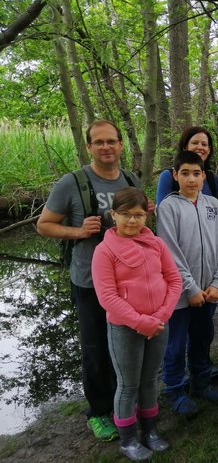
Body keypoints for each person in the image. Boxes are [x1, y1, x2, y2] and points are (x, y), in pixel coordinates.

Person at [36, 120, 142, 442]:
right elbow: (44, 225)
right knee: (96, 348)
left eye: (112, 141)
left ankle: (123, 403)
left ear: (121, 145)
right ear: (89, 147)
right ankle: (98, 412)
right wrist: (79, 231)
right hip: (89, 281)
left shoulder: (130, 179)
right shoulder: (73, 183)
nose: (106, 147)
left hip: (129, 281)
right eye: (99, 142)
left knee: (125, 345)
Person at [92, 188, 181, 460]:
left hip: (158, 325)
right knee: (128, 384)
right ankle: (128, 439)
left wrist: (162, 315)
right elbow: (108, 297)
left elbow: (174, 280)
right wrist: (141, 322)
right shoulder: (104, 251)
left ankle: (151, 431)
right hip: (125, 329)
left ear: (147, 215)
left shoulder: (156, 243)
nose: (132, 221)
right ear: (113, 215)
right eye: (126, 215)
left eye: (139, 215)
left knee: (149, 381)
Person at [156, 151, 218, 416]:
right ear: (175, 176)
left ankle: (201, 382)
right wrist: (190, 289)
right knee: (175, 344)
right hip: (179, 293)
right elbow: (169, 252)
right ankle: (175, 390)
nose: (191, 179)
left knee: (202, 337)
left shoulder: (213, 204)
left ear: (203, 176)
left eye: (196, 174)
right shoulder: (168, 207)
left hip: (209, 290)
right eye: (185, 173)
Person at [156, 126, 218, 205]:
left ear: (209, 150)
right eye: (195, 143)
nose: (200, 147)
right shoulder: (168, 176)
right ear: (185, 147)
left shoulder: (214, 181)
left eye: (204, 144)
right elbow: (163, 210)